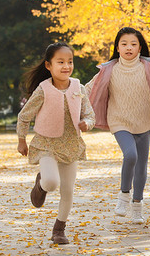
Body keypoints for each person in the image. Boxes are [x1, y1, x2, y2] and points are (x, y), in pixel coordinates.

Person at [86, 27, 150, 224]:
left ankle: (137, 207)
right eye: (124, 44)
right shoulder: (109, 68)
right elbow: (89, 87)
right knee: (130, 155)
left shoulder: (148, 66)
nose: (129, 48)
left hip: (143, 119)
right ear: (117, 47)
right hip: (119, 120)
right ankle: (124, 195)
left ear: (140, 46)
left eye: (133, 44)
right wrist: (71, 91)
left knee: (141, 166)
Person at [17, 42, 95, 245]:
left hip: (71, 145)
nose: (66, 66)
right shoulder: (43, 89)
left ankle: (59, 229)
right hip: (46, 144)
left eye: (70, 62)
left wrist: (87, 123)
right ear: (48, 65)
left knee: (67, 190)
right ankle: (41, 184)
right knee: (51, 183)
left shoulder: (78, 87)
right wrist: (21, 140)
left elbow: (90, 114)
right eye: (60, 62)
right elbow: (24, 116)